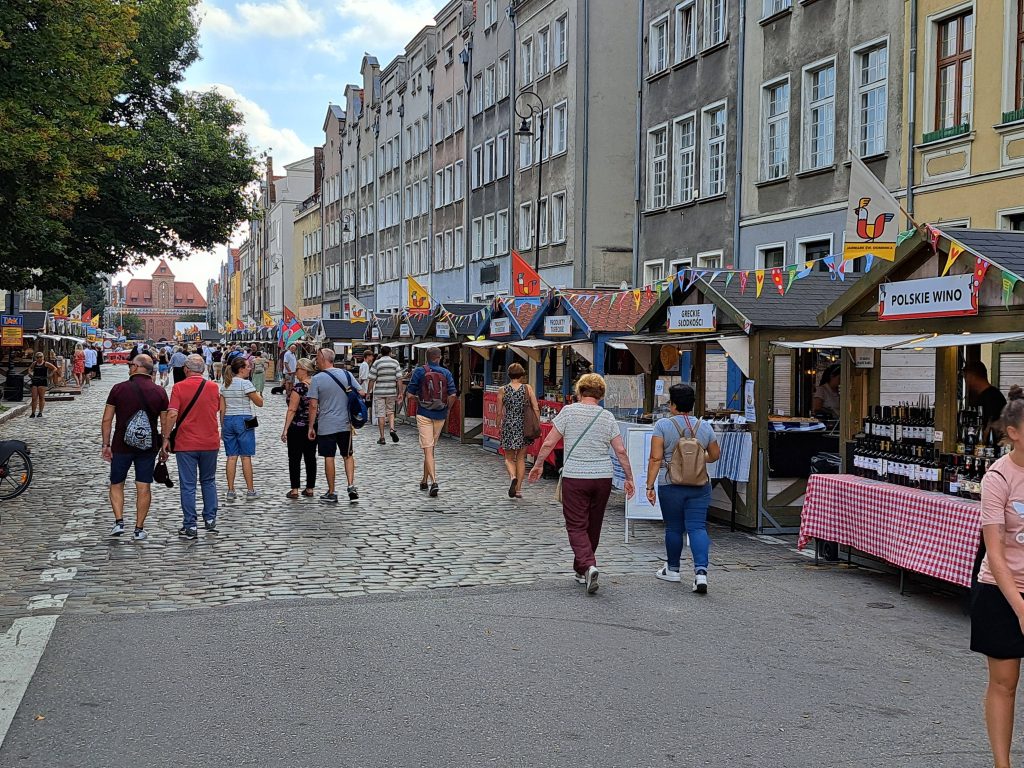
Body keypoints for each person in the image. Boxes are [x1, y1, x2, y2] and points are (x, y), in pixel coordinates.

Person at [528, 374, 635, 594]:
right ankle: (582, 569)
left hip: (576, 476)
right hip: (602, 477)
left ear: (579, 391)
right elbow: (620, 450)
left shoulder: (568, 412)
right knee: (593, 524)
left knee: (576, 525)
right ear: (601, 394)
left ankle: (588, 564)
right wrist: (629, 477)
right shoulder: (607, 416)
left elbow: (549, 442)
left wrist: (538, 465)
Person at [971, 386, 1024, 768]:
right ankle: (1002, 764)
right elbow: (995, 551)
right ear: (1014, 433)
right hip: (1001, 591)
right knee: (1005, 683)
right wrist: (1020, 608)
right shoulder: (998, 477)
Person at [644, 383, 721, 594]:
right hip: (700, 484)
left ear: (673, 404)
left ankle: (673, 569)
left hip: (671, 484)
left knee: (674, 528)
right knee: (697, 527)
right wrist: (699, 460)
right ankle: (701, 573)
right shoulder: (704, 427)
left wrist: (649, 485)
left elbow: (655, 458)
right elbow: (715, 455)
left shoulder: (663, 425)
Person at [102, 355, 168, 540]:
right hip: (148, 446)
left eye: (131, 364)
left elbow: (107, 419)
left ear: (137, 367)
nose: (129, 367)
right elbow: (164, 423)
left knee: (117, 483)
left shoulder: (118, 389)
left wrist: (106, 444)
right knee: (143, 485)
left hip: (121, 444)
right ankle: (139, 528)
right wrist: (164, 444)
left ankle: (119, 521)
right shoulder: (159, 392)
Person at [161, 354, 221, 539]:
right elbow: (217, 408)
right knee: (208, 481)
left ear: (186, 369)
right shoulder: (213, 387)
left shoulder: (179, 387)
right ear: (202, 370)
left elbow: (172, 414)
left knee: (188, 485)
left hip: (186, 443)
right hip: (210, 441)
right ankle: (210, 518)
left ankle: (190, 524)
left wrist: (166, 437)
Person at [307, 347, 364, 504]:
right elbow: (362, 393)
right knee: (348, 455)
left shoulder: (317, 379)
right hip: (345, 423)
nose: (316, 361)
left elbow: (313, 405)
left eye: (317, 358)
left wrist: (311, 426)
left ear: (323, 359)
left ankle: (332, 492)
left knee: (329, 457)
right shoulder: (347, 374)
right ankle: (351, 485)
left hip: (326, 424)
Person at [405, 347, 457, 497]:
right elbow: (453, 394)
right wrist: (447, 409)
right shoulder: (446, 373)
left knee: (428, 449)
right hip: (440, 414)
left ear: (426, 357)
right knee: (431, 448)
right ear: (439, 358)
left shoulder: (419, 371)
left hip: (424, 413)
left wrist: (419, 401)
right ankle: (424, 480)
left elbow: (409, 395)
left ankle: (434, 481)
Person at [220, 356, 263, 500]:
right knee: (245, 456)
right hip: (244, 420)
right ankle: (250, 490)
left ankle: (231, 490)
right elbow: (259, 403)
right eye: (248, 366)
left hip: (228, 420)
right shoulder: (246, 384)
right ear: (241, 369)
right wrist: (257, 393)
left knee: (231, 457)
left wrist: (222, 426)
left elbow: (222, 409)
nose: (250, 369)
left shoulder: (225, 385)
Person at [497, 362, 540, 498]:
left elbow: (499, 412)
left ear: (509, 375)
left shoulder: (503, 390)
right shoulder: (527, 388)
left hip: (509, 425)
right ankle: (519, 489)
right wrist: (537, 422)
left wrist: (498, 426)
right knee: (521, 458)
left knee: (509, 458)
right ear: (521, 375)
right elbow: (535, 407)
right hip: (524, 426)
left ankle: (512, 477)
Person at [281, 358, 318, 499]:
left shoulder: (299, 388)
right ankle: (310, 488)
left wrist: (285, 429)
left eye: (297, 369)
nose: (295, 372)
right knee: (310, 457)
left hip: (297, 426)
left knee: (295, 458)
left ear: (304, 370)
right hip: (313, 425)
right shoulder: (316, 385)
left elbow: (292, 409)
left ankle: (295, 489)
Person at [368, 346, 402, 445]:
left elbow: (372, 379)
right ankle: (392, 429)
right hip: (391, 391)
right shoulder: (395, 363)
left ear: (381, 353)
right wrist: (400, 392)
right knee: (390, 411)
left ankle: (382, 437)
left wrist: (368, 392)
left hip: (379, 392)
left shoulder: (377, 363)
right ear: (390, 353)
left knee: (381, 414)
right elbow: (399, 378)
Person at [965, 360, 1008, 432]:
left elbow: (991, 426)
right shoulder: (988, 395)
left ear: (972, 377)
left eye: (966, 377)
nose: (966, 382)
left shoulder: (993, 398)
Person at [27, 352, 57, 418]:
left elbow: (55, 368)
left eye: (40, 357)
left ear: (43, 357)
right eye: (38, 357)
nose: (39, 358)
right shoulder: (34, 363)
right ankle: (33, 412)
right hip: (35, 380)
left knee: (41, 397)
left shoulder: (46, 363)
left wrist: (50, 374)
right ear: (36, 358)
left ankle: (40, 412)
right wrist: (30, 373)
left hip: (42, 380)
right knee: (34, 397)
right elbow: (30, 368)